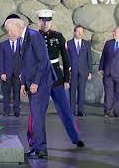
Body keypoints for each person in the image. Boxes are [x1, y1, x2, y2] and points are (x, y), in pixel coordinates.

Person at [26, 9, 85, 150]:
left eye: (48, 21)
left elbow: (66, 59)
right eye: (43, 20)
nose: (45, 23)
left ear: (51, 21)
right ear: (39, 21)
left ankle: (76, 138)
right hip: (39, 80)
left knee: (66, 110)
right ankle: (33, 142)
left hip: (56, 78)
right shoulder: (31, 37)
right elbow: (28, 61)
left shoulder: (58, 37)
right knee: (36, 113)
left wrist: (67, 79)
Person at [4, 15, 56, 158]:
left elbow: (43, 61)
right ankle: (35, 147)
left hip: (41, 84)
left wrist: (35, 83)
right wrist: (23, 84)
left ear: (18, 26)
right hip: (31, 83)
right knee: (34, 117)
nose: (9, 33)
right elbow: (24, 64)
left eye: (10, 30)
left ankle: (41, 150)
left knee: (37, 116)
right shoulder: (23, 38)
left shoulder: (34, 36)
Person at [0, 15, 21, 117]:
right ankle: (6, 111)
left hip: (18, 73)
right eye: (9, 32)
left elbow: (25, 60)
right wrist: (2, 72)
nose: (11, 34)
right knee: (6, 94)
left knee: (17, 94)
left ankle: (17, 111)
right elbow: (1, 60)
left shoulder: (22, 44)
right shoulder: (3, 45)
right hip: (6, 74)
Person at [67, 25, 92, 116]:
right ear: (74, 32)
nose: (80, 33)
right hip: (72, 72)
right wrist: (67, 69)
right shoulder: (69, 43)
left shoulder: (86, 44)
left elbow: (89, 58)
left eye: (81, 32)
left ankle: (81, 111)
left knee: (82, 92)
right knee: (72, 92)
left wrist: (89, 72)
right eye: (78, 31)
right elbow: (66, 57)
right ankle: (72, 111)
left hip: (83, 71)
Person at [99, 27, 119, 118]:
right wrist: (101, 68)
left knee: (117, 93)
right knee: (108, 93)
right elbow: (103, 56)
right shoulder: (108, 43)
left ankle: (117, 111)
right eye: (114, 31)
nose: (114, 33)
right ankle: (107, 111)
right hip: (108, 73)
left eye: (116, 32)